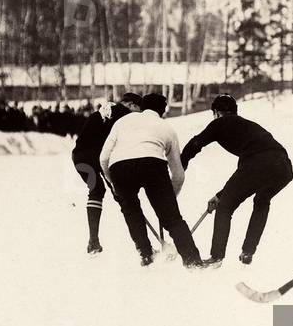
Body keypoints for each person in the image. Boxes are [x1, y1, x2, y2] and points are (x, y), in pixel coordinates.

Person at [181, 94, 293, 266]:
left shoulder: (220, 123)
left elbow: (196, 143)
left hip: (258, 162)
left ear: (217, 112)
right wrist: (220, 195)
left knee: (225, 207)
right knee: (261, 201)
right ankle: (248, 251)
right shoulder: (249, 126)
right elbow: (244, 176)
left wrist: (181, 163)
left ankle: (216, 257)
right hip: (284, 167)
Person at [99, 93, 204, 267]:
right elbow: (178, 174)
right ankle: (193, 261)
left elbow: (103, 158)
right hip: (152, 164)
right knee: (172, 219)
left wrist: (113, 184)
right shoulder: (166, 127)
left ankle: (146, 254)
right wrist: (169, 197)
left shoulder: (122, 122)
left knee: (131, 211)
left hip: (120, 167)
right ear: (162, 111)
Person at [72, 93, 142, 254]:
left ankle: (93, 241)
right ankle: (141, 244)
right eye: (139, 110)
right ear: (131, 105)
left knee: (96, 191)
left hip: (80, 159)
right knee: (123, 197)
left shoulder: (106, 110)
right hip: (99, 157)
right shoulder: (124, 114)